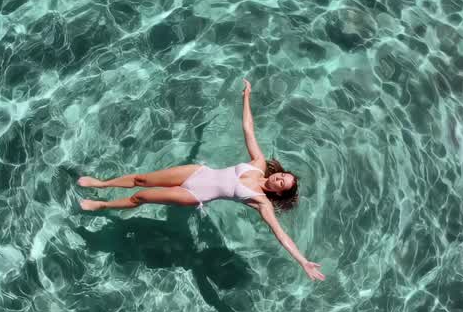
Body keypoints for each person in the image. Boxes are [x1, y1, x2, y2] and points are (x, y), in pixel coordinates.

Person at [77, 80, 325, 281]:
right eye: (282, 175)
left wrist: (302, 261)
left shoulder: (262, 203)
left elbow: (280, 234)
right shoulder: (258, 164)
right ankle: (101, 184)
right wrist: (246, 97)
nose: (279, 178)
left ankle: (102, 206)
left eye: (282, 183)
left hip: (194, 196)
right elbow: (248, 129)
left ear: (279, 193)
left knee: (140, 197)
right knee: (142, 179)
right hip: (197, 172)